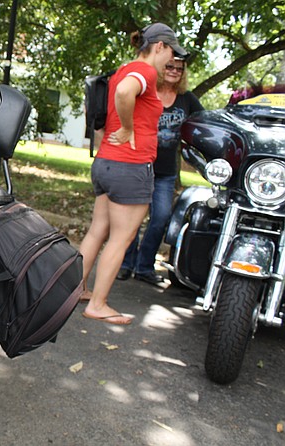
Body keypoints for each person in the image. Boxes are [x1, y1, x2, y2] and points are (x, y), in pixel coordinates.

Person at [79, 23, 188, 325]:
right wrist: (127, 128)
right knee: (121, 238)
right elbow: (127, 93)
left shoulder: (122, 69)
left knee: (97, 231)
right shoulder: (146, 71)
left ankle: (79, 289)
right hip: (130, 166)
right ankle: (98, 304)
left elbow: (118, 94)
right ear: (160, 46)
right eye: (171, 52)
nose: (172, 61)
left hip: (106, 164)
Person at [118, 58, 204, 285]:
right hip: (140, 164)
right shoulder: (146, 90)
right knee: (131, 219)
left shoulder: (187, 99)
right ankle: (126, 263)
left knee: (161, 218)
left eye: (179, 68)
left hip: (166, 172)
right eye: (170, 67)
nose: (174, 71)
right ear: (161, 68)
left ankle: (144, 266)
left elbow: (203, 122)